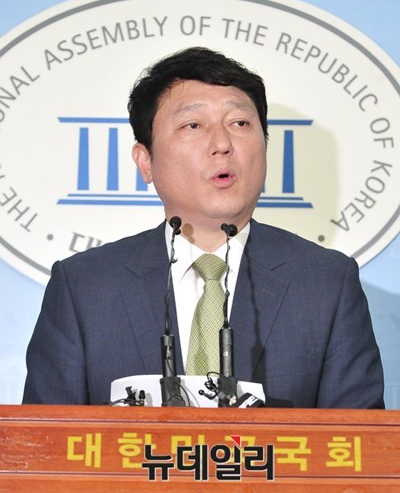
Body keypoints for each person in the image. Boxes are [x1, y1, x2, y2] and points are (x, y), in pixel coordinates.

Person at [22, 47, 384, 408]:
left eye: (239, 123)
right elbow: (42, 439)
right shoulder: (84, 288)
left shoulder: (326, 284)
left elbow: (360, 440)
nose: (222, 144)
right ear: (145, 161)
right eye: (193, 125)